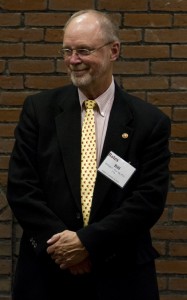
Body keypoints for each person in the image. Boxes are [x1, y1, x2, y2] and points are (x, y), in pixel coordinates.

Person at [7, 9, 171, 300]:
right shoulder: (39, 111)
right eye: (67, 51)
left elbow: (148, 199)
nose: (73, 60)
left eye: (83, 50)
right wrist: (63, 248)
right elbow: (22, 189)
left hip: (120, 275)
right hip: (47, 272)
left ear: (114, 50)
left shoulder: (149, 122)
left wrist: (87, 243)